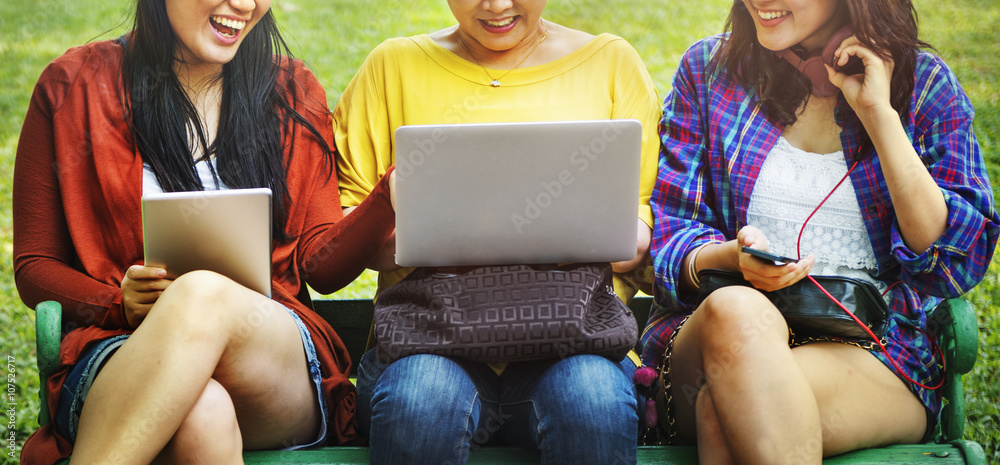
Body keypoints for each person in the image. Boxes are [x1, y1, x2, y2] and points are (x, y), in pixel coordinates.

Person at [12, 0, 398, 462]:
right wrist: (118, 303)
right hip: (121, 350)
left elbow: (322, 266)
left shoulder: (290, 88)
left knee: (200, 294)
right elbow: (35, 267)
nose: (244, 4)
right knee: (204, 416)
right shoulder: (73, 86)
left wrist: (390, 196)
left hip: (271, 359)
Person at [639, 0, 998, 462]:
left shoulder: (923, 84)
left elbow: (953, 262)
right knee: (737, 309)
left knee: (726, 411)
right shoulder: (709, 71)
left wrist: (878, 114)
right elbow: (670, 243)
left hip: (876, 352)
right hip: (709, 346)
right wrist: (729, 258)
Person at [333, 0, 661, 463]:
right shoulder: (392, 66)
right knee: (419, 404)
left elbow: (634, 241)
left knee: (594, 404)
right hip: (430, 344)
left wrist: (470, 230)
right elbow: (356, 241)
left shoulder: (611, 63)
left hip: (571, 344)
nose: (496, 6)